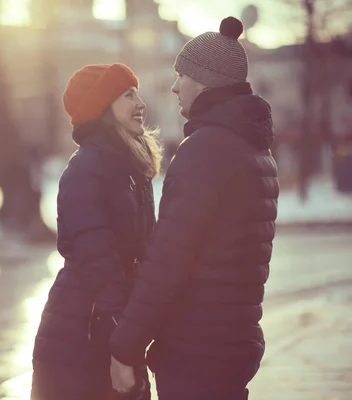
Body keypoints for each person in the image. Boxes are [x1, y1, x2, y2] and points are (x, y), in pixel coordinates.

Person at [108, 17, 279, 400]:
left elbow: (168, 261)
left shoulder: (205, 150)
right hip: (233, 342)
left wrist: (126, 345)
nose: (173, 87)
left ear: (203, 81)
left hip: (196, 350)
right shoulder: (254, 149)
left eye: (180, 75)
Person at [31, 63, 163, 400]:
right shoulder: (89, 169)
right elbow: (99, 264)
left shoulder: (129, 165)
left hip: (112, 327)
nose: (140, 103)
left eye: (137, 92)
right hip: (83, 334)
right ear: (103, 106)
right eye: (127, 94)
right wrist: (121, 347)